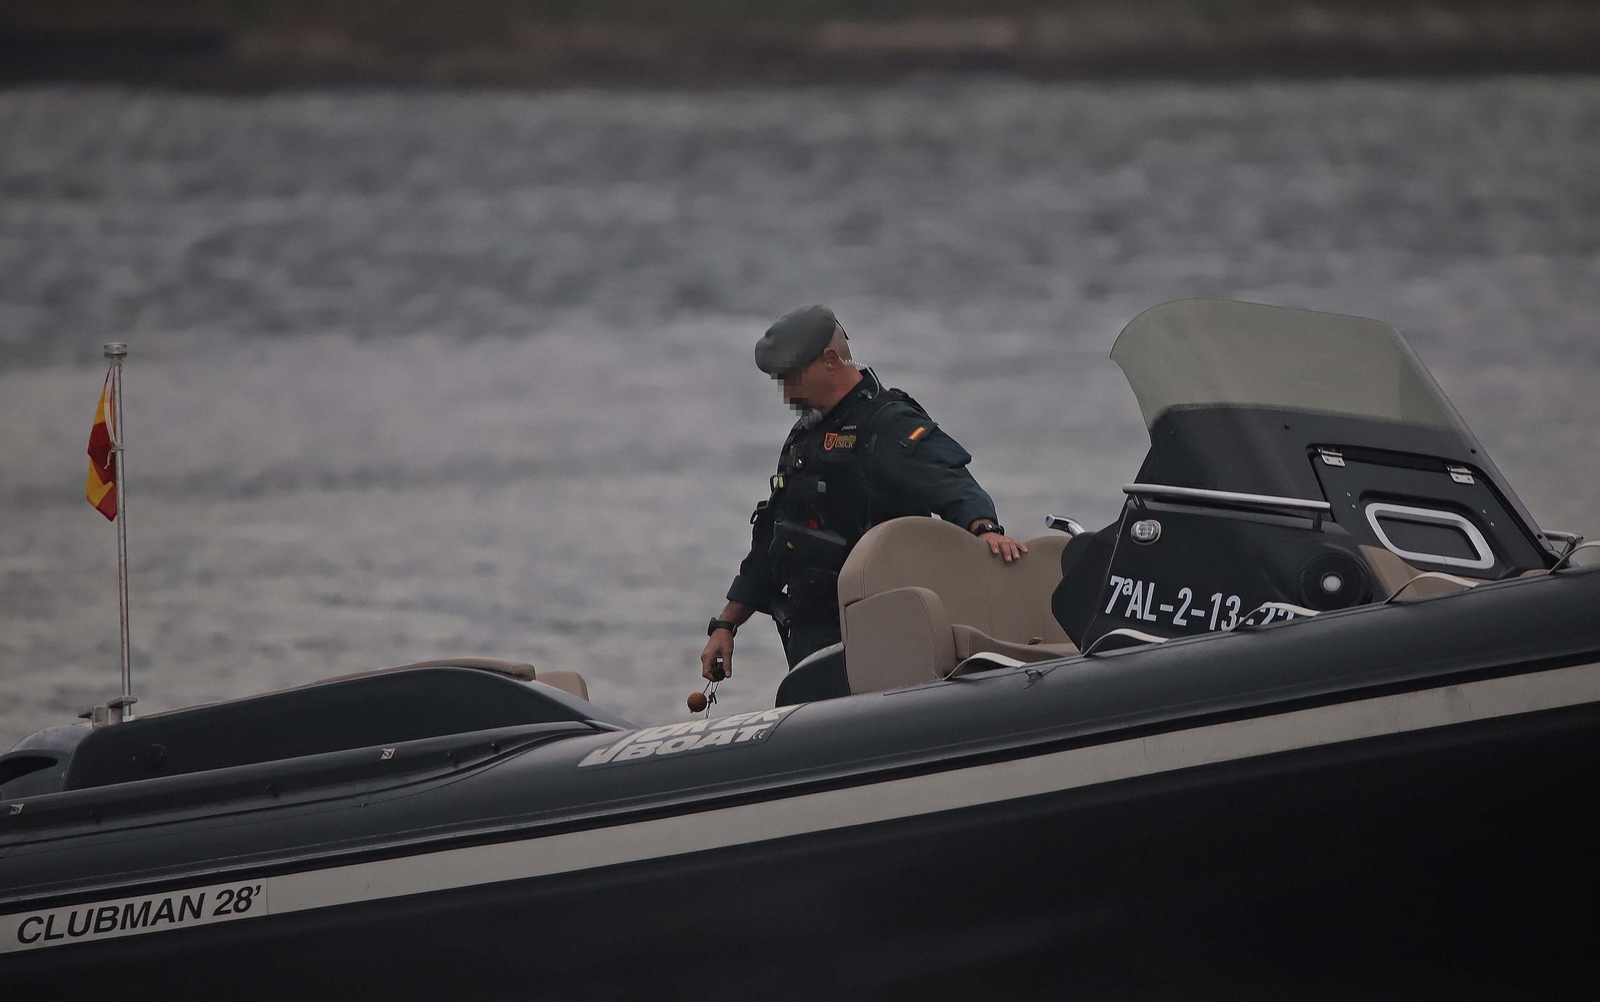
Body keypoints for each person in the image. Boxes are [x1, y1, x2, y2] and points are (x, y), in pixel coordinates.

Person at [700, 304, 1027, 696]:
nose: (787, 393)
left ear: (831, 360)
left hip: (876, 641)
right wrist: (726, 624)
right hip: (809, 640)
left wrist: (985, 529)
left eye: (793, 378)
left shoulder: (886, 424)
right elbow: (774, 539)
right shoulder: (805, 435)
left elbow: (953, 482)